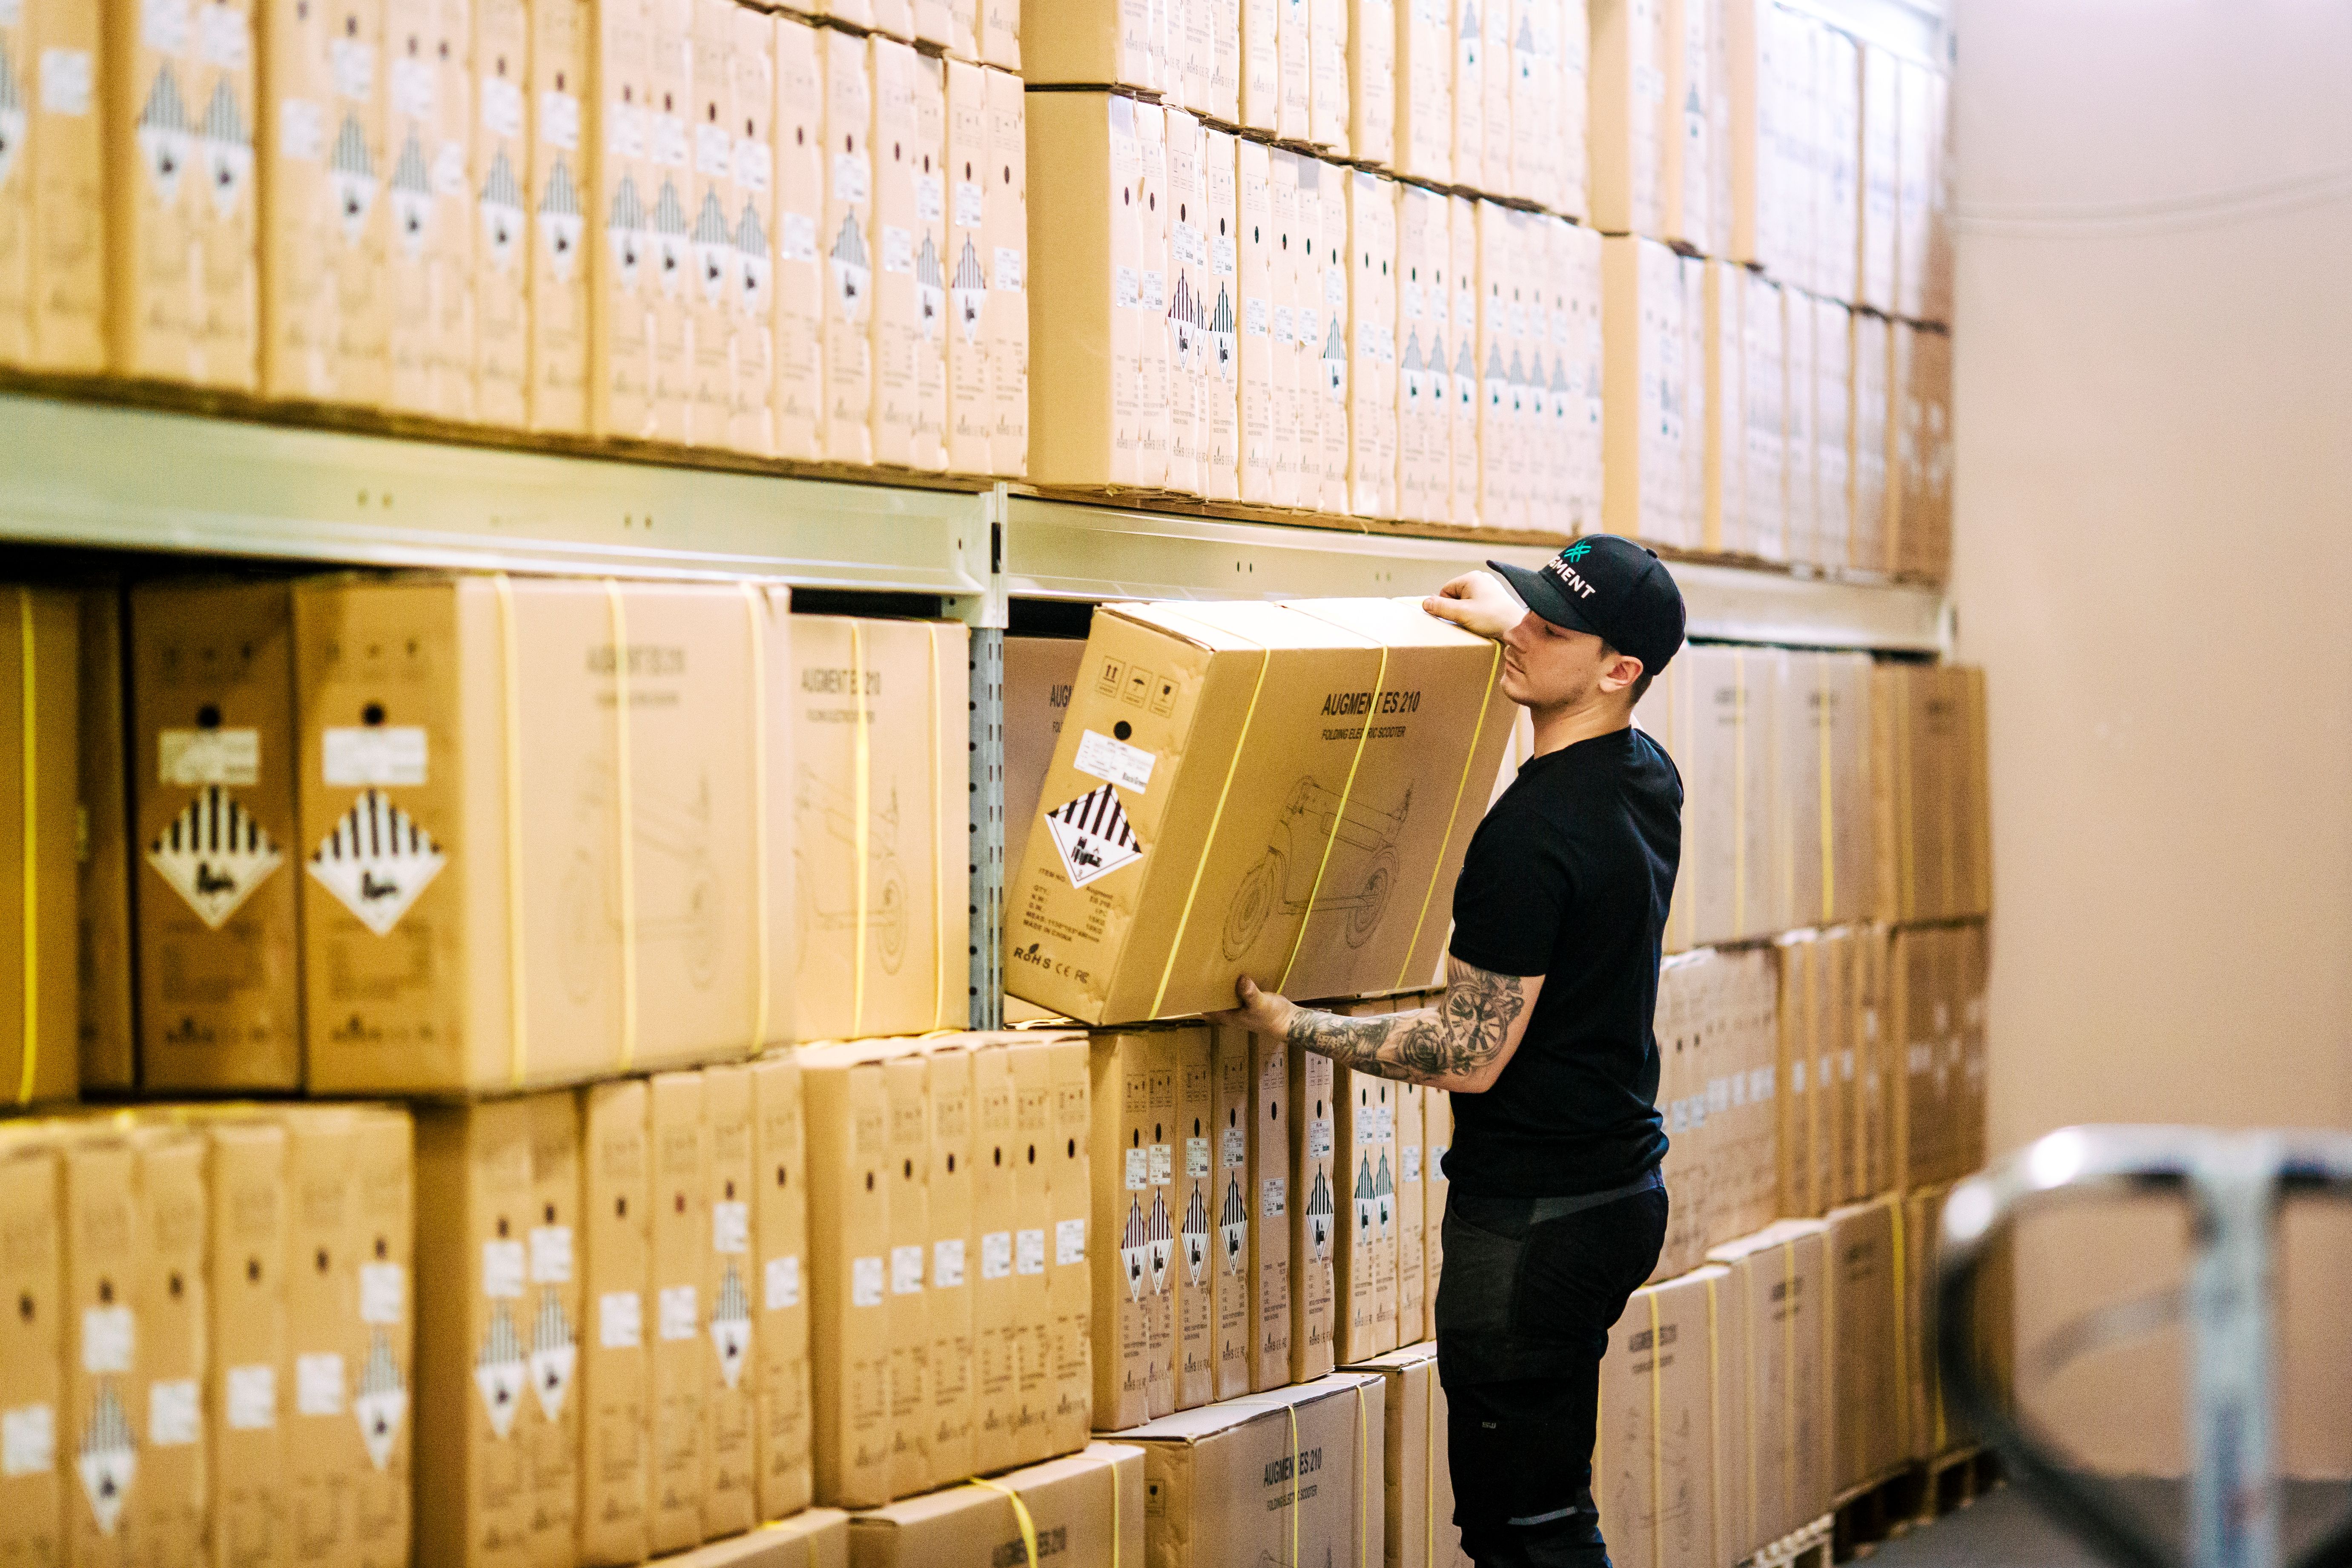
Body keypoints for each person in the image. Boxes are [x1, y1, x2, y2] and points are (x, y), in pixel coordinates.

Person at [1206, 535, 1687, 1568]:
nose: (1522, 636)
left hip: (1532, 1224)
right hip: (1616, 1193)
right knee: (1541, 1514)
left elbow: (1466, 1050)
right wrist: (1515, 627)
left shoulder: (1531, 836)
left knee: (1525, 1533)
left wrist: (1293, 1025)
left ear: (1618, 671)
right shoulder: (1645, 777)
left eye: (1549, 631)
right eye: (1528, 614)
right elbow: (1563, 665)